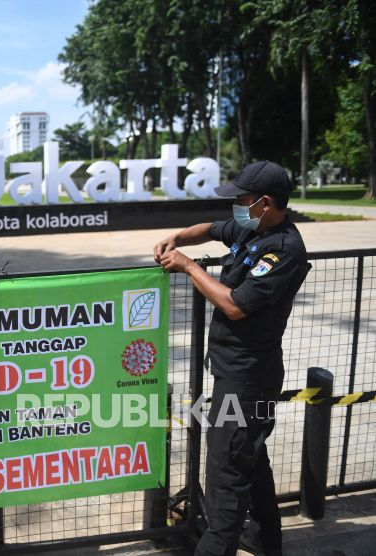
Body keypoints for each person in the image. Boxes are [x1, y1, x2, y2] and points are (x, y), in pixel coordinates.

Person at [154, 162, 310, 556]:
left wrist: (188, 266)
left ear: (266, 202)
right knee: (250, 464)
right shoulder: (250, 227)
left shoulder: (284, 249)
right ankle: (269, 543)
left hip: (247, 379)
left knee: (226, 476)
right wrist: (175, 238)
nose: (237, 208)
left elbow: (234, 304)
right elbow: (208, 229)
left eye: (242, 200)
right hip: (233, 373)